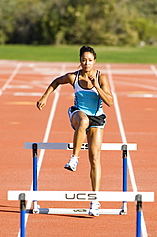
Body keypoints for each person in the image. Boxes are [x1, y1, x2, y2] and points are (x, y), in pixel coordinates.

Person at [36, 45, 113, 216]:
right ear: (80, 60)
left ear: (95, 61)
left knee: (94, 158)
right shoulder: (73, 77)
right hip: (78, 114)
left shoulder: (102, 78)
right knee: (83, 121)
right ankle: (74, 159)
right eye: (84, 60)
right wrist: (44, 97)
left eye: (90, 60)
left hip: (97, 117)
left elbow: (110, 102)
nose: (87, 63)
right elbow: (56, 81)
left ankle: (95, 201)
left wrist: (96, 87)